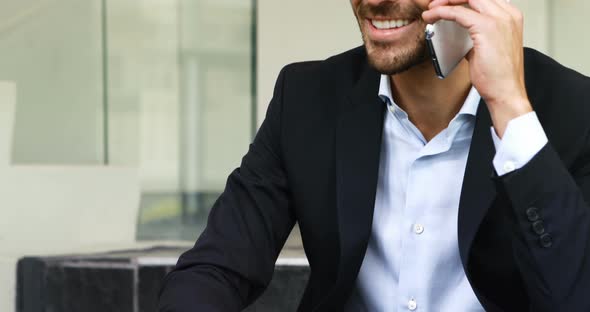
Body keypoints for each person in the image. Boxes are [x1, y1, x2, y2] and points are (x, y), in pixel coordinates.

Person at [159, 0, 590, 311]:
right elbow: (217, 267)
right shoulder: (306, 98)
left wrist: (510, 109)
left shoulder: (571, 110)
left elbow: (575, 295)